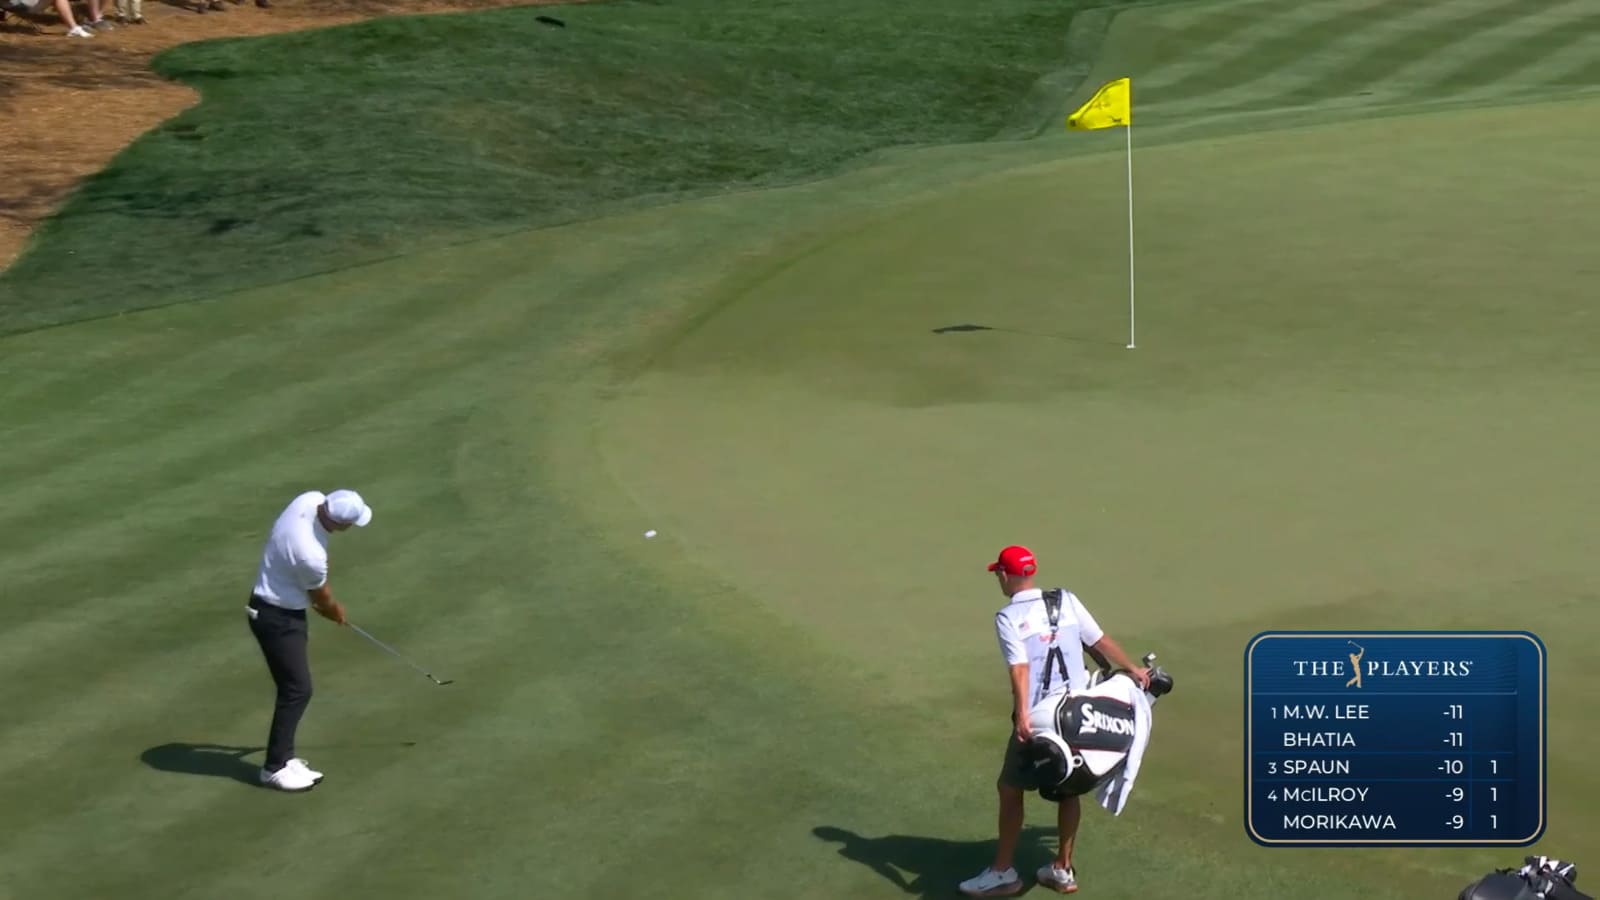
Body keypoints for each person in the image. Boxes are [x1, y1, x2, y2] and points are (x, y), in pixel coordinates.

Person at [959, 545, 1150, 897]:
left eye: (999, 573)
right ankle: (1062, 868)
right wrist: (1134, 669)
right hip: (1078, 715)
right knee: (1068, 788)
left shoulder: (1007, 618)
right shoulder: (1066, 599)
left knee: (1010, 787)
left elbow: (1019, 668)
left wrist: (1022, 716)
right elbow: (1100, 641)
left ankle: (1003, 872)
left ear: (1005, 574)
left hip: (1041, 720)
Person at [246, 489, 372, 792]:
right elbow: (321, 599)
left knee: (294, 687)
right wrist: (337, 613)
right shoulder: (310, 555)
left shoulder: (309, 499)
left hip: (279, 608)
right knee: (297, 690)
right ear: (341, 524)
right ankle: (273, 768)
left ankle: (286, 758)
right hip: (276, 617)